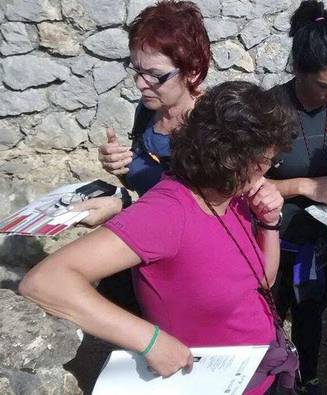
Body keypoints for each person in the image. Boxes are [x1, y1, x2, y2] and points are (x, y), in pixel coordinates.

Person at [20, 81, 297, 395]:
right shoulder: (168, 212)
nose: (265, 174)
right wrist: (148, 340)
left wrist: (270, 224)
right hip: (212, 384)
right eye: (263, 163)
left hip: (263, 371)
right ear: (230, 157)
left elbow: (262, 280)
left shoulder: (233, 197)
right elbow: (45, 282)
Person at [80, 0, 212, 313]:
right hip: (146, 252)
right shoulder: (149, 111)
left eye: (155, 75)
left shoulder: (210, 126)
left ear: (192, 71)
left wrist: (123, 206)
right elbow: (148, 180)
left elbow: (202, 213)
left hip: (187, 274)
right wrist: (122, 166)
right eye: (136, 70)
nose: (141, 84)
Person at [264, 1, 327, 393]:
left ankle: (308, 375)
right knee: (273, 311)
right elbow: (241, 185)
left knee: (313, 311)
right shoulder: (272, 110)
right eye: (326, 85)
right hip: (278, 238)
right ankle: (271, 376)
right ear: (299, 70)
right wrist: (302, 186)